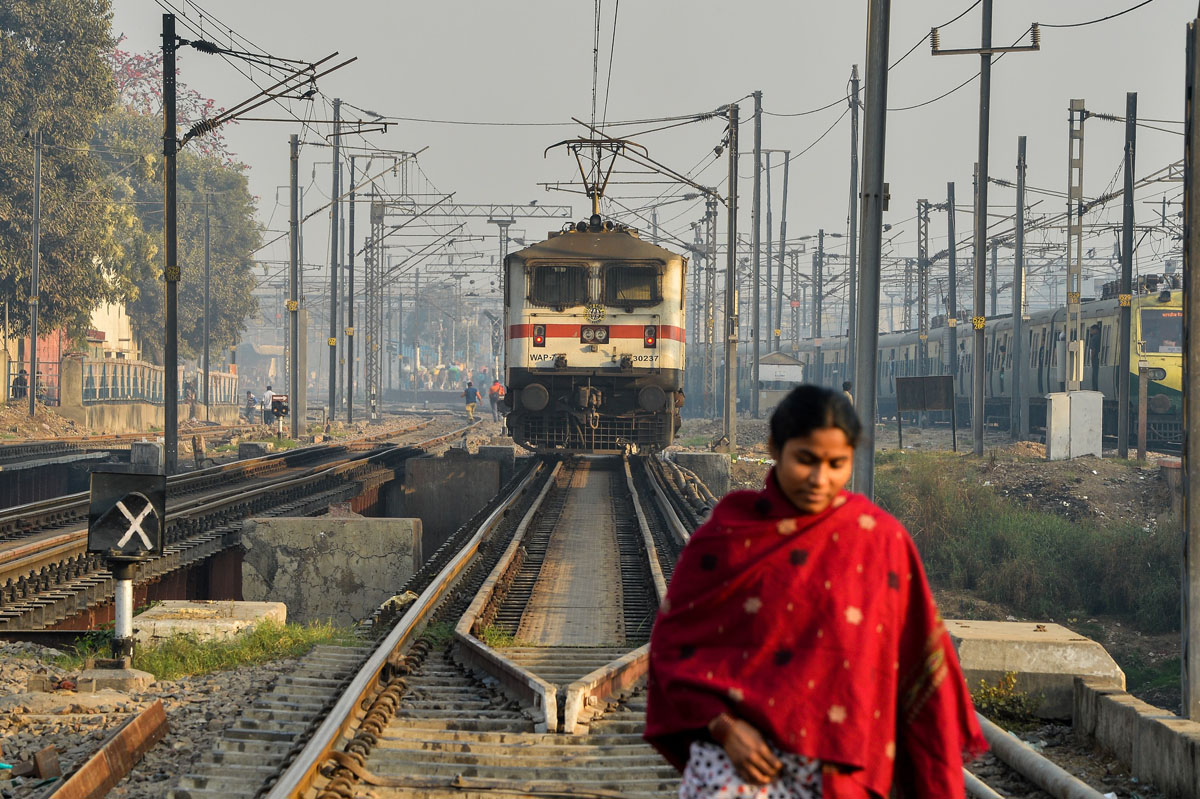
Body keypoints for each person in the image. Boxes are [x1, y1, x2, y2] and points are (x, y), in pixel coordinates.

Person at [645, 384, 985, 798]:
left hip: (843, 773)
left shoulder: (879, 542)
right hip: (736, 770)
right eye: (804, 460)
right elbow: (671, 651)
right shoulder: (726, 541)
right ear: (774, 447)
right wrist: (724, 727)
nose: (819, 479)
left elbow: (919, 659)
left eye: (836, 463)